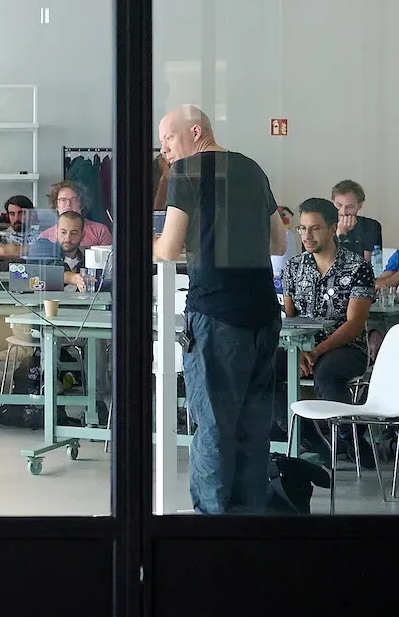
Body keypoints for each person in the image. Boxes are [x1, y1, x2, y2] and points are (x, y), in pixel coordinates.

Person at [155, 105, 286, 515]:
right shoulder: (252, 168)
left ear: (196, 132)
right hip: (264, 313)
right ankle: (248, 524)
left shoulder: (185, 173)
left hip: (216, 315)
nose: (165, 151)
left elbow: (169, 248)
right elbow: (279, 244)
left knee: (213, 425)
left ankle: (210, 528)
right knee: (253, 426)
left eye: (169, 139)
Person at [280, 200, 375, 447]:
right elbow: (290, 318)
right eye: (302, 229)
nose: (307, 236)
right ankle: (307, 436)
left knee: (326, 374)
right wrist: (298, 351)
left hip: (346, 348)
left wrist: (315, 351)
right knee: (263, 369)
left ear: (333, 228)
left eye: (315, 228)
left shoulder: (358, 267)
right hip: (299, 348)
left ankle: (349, 438)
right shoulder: (292, 267)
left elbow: (355, 323)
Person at [27, 211, 95, 287]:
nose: (68, 239)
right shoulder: (41, 246)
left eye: (74, 233)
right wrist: (73, 278)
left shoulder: (88, 261)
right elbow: (49, 269)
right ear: (56, 233)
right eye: (63, 232)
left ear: (83, 235)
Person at [329, 179, 384, 257]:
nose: (343, 212)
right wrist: (340, 235)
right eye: (339, 205)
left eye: (350, 207)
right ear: (332, 202)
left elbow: (368, 263)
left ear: (360, 205)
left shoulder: (370, 226)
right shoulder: (325, 225)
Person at [0, 194, 37, 259]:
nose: (16, 218)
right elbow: (2, 252)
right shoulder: (1, 236)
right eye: (12, 214)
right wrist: (37, 249)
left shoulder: (40, 235)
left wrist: (14, 249)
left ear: (31, 214)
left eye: (21, 213)